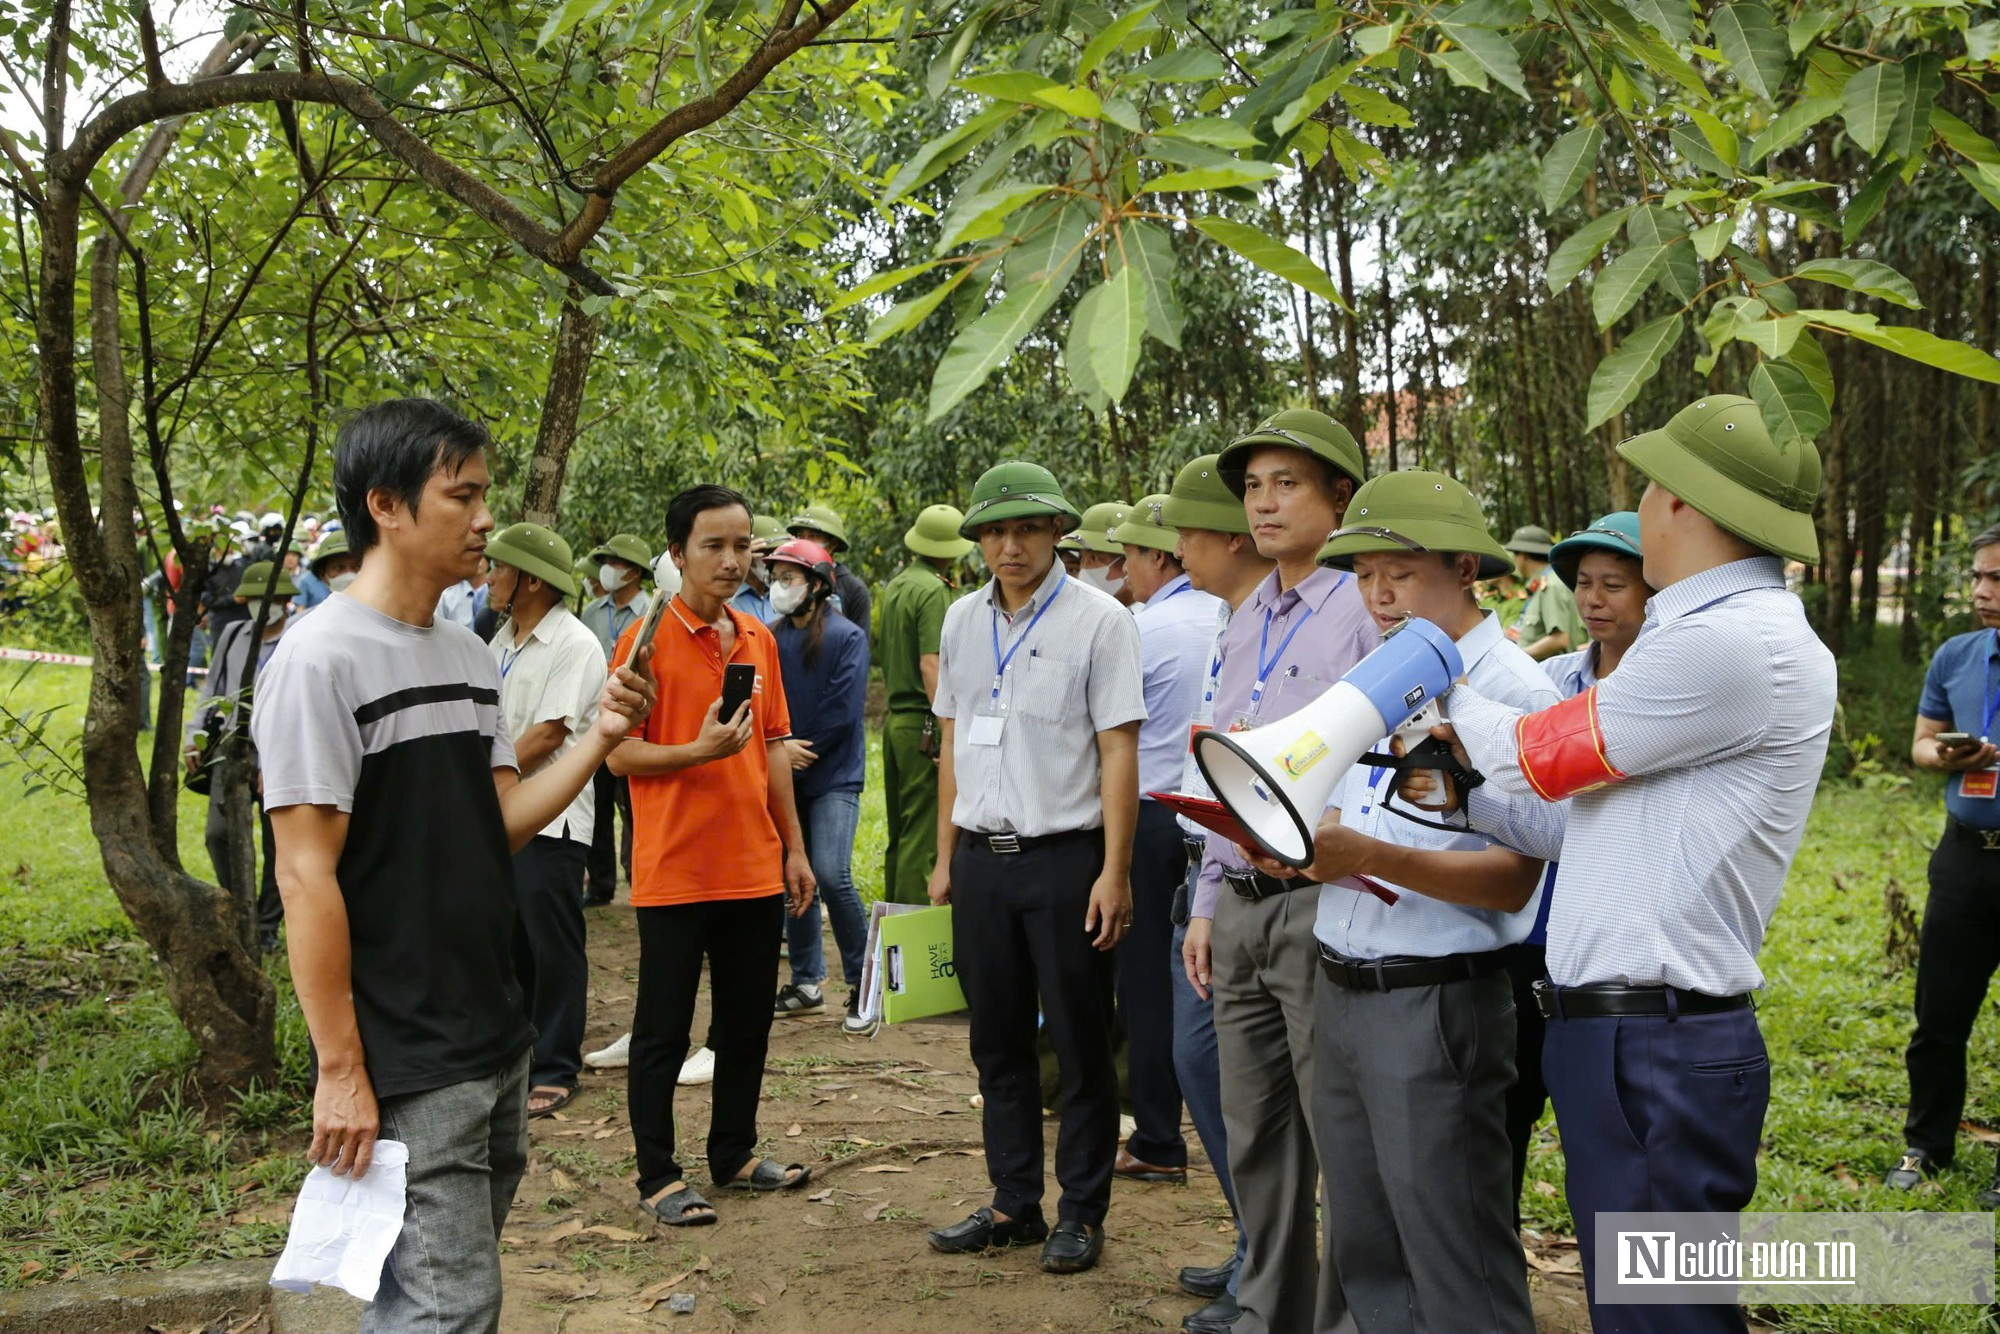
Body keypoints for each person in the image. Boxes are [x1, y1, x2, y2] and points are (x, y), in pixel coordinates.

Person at [254, 398, 655, 1333]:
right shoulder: (320, 660)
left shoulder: (468, 655)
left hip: (492, 1022)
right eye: (463, 496)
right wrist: (341, 1068)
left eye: (485, 495)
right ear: (386, 506)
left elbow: (498, 822)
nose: (486, 520)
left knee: (430, 1292)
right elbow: (305, 875)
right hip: (406, 1046)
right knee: (450, 1305)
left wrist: (598, 739)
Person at [1438, 393, 1837, 1334]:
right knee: (1638, 1310)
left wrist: (1440, 667)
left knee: (1663, 1318)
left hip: (1655, 1042)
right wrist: (1464, 800)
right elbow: (1578, 826)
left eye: (1655, 484)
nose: (1647, 500)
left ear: (1686, 505)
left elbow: (1540, 751)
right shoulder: (1703, 637)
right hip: (1626, 1036)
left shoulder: (1731, 640)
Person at [1248, 471, 1551, 1334]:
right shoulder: (1376, 679)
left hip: (1437, 1001)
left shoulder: (1517, 696)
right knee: (1367, 1247)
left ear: (1465, 569)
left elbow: (1514, 876)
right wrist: (1302, 849)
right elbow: (1348, 816)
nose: (1379, 595)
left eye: (1402, 573)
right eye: (1366, 573)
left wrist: (1368, 854)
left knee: (1455, 1254)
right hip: (1341, 982)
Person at [925, 462, 1147, 1276]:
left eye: (1024, 529)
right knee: (997, 1042)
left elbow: (1117, 749)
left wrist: (1113, 871)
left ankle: (1081, 1213)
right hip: (983, 862)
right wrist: (947, 856)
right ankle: (1013, 1200)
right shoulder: (959, 621)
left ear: (1058, 532)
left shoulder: (1100, 622)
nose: (1007, 546)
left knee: (1083, 1044)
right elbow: (954, 737)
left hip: (1066, 862)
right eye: (992, 531)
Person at [1186, 408, 1375, 1334]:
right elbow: (1229, 765)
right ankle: (1269, 1306)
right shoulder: (1245, 613)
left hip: (1323, 900)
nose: (1263, 504)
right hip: (1245, 903)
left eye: (1286, 484)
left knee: (1334, 1126)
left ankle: (1342, 1317)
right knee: (1254, 1123)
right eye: (1253, 487)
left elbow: (1383, 768)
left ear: (1341, 497)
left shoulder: (1365, 611)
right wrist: (1207, 901)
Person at [608, 485, 817, 1228]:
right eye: (713, 547)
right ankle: (658, 1174)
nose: (732, 562)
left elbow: (772, 750)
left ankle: (732, 1154)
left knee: (745, 1023)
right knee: (663, 1027)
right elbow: (617, 755)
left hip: (752, 866)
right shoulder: (642, 640)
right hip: (674, 867)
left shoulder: (758, 639)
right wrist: (693, 750)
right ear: (676, 554)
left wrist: (794, 849)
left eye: (743, 547)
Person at [1503, 511, 1651, 1218]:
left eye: (1614, 584)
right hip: (1527, 932)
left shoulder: (1666, 691)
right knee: (1504, 1112)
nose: (1593, 599)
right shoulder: (1551, 681)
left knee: (1610, 1141)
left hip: (1610, 950)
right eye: (1583, 583)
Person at [1158, 454, 1271, 1334]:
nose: (1176, 551)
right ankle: (1256, 1244)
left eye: (1186, 533)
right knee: (1202, 1062)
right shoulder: (1234, 622)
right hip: (1218, 875)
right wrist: (1203, 902)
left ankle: (1273, 1267)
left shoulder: (1328, 615)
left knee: (1261, 1090)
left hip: (1286, 888)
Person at [1107, 496, 1221, 1192]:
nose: (1122, 572)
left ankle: (1157, 1137)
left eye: (1128, 558)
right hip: (1220, 820)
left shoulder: (1142, 628)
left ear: (1160, 557)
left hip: (1149, 814)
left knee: (1146, 981)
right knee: (1200, 980)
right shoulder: (1232, 615)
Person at [1886, 524, 2000, 1203]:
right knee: (1939, 1016)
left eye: (1998, 580)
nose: (1984, 592)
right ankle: (1926, 1143)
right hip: (1964, 858)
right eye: (1981, 578)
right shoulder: (1957, 655)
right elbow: (1922, 744)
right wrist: (1946, 757)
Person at [486, 522, 607, 1121]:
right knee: (510, 941)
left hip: (554, 818)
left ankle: (558, 1065)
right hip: (504, 813)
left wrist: (480, 781)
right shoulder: (500, 641)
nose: (488, 577)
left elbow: (549, 733)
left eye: (497, 568)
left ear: (530, 579)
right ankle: (518, 1054)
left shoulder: (575, 643)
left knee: (553, 941)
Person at [764, 537, 873, 1031]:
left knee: (832, 874)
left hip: (833, 776)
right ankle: (807, 982)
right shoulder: (769, 636)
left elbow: (842, 711)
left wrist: (793, 752)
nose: (779, 586)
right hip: (786, 774)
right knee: (794, 875)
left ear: (818, 585)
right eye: (776, 577)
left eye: (789, 577)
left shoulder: (847, 637)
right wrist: (778, 750)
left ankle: (865, 982)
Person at [186, 558, 295, 953]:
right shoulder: (233, 635)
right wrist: (192, 735)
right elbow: (211, 688)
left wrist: (272, 763)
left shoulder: (299, 637)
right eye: (257, 598)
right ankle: (238, 907)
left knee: (279, 844)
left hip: (283, 752)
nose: (267, 605)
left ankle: (266, 923)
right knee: (218, 834)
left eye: (276, 597)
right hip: (233, 747)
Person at [878, 505, 971, 906]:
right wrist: (947, 727)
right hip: (924, 724)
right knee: (923, 835)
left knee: (901, 832)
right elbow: (931, 665)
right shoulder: (934, 590)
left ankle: (888, 932)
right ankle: (911, 934)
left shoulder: (899, 583)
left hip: (896, 720)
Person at [583, 534, 653, 905]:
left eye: (616, 562)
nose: (608, 569)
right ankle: (601, 884)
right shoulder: (593, 612)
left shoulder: (653, 611)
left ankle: (638, 876)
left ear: (635, 572)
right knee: (596, 805)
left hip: (634, 722)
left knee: (634, 808)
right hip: (598, 719)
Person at [787, 504, 871, 640]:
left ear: (833, 544)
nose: (805, 543)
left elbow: (859, 646)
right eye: (801, 536)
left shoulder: (853, 589)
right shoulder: (787, 579)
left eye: (813, 536)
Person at [1505, 524, 1587, 661]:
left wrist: (1516, 659)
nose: (1514, 560)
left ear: (1523, 556)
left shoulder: (1550, 585)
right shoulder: (1541, 584)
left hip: (1550, 674)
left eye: (1515, 554)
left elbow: (1560, 639)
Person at [1060, 501, 1132, 604]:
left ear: (1128, 560)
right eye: (1082, 558)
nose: (1084, 568)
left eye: (1094, 558)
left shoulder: (1151, 617)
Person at [729, 514, 789, 623]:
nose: (772, 561)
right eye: (765, 553)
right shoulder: (727, 595)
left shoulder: (786, 592)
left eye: (777, 554)